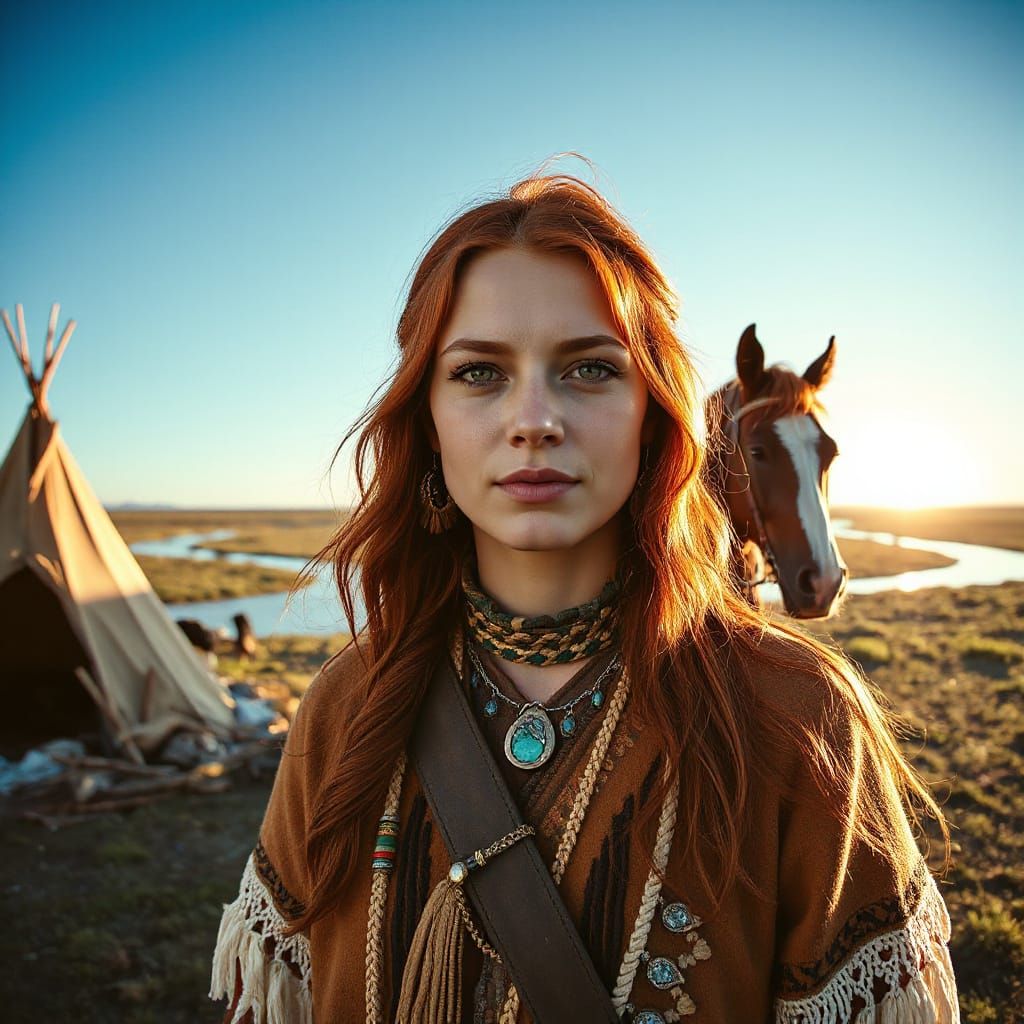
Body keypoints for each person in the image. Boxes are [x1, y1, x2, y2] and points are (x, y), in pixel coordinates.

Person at [210, 165, 959, 1024]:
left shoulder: (799, 719)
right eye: (480, 374)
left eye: (591, 369)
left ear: (655, 412)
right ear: (427, 421)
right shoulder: (344, 708)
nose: (534, 418)